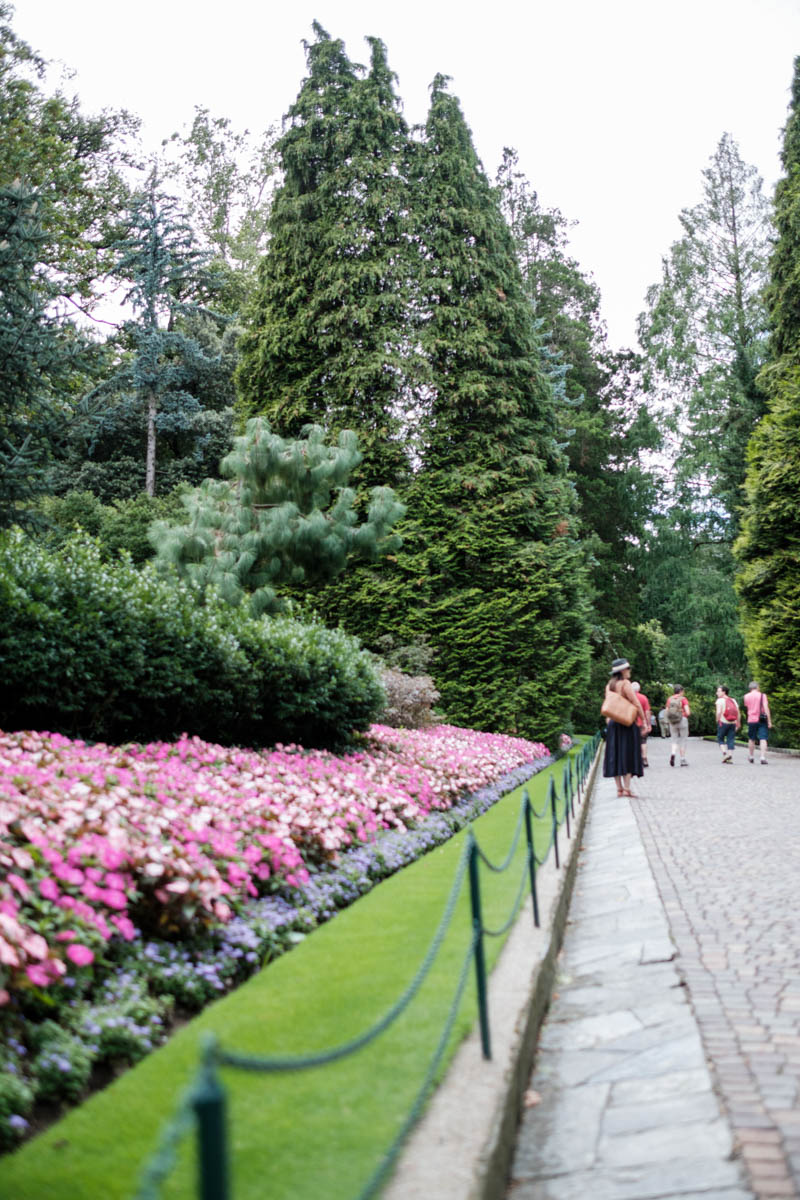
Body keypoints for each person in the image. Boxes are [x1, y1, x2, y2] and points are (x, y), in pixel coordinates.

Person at [603, 658, 645, 797]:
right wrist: (644, 720)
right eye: (628, 669)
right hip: (627, 723)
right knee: (628, 754)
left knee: (615, 754)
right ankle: (627, 788)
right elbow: (636, 703)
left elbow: (608, 704)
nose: (629, 671)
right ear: (622, 671)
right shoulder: (625, 684)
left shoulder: (609, 686)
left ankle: (619, 789)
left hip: (613, 724)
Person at [743, 681, 772, 764]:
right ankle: (762, 757)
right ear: (757, 687)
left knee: (751, 738)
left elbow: (747, 706)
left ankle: (751, 756)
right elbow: (766, 708)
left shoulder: (746, 696)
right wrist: (769, 721)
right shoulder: (762, 696)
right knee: (763, 738)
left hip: (751, 719)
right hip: (761, 719)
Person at [666, 684, 691, 767]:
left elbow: (667, 712)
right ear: (681, 691)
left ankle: (673, 753)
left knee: (674, 740)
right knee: (683, 740)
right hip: (682, 720)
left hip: (672, 721)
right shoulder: (683, 699)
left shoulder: (669, 699)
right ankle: (682, 759)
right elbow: (688, 712)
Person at [715, 685, 740, 763]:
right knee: (731, 739)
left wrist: (717, 719)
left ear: (724, 692)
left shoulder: (720, 700)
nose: (717, 693)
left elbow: (719, 712)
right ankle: (730, 756)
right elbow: (738, 713)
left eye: (718, 691)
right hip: (733, 723)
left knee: (720, 738)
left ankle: (725, 753)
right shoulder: (733, 700)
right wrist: (738, 723)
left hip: (723, 722)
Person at [631, 681, 651, 767]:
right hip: (642, 724)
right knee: (643, 741)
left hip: (630, 723)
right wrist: (648, 723)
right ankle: (644, 759)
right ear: (639, 689)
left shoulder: (628, 697)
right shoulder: (643, 698)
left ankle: (633, 760)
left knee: (631, 742)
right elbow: (647, 712)